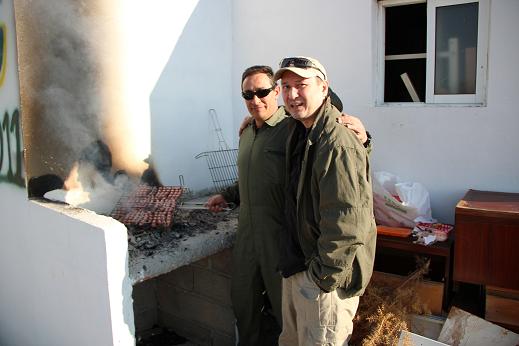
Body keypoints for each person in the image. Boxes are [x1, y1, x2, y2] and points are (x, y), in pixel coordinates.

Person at [206, 65, 370, 345]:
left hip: (281, 239)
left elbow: (336, 155)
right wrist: (229, 194)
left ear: (275, 92)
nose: (255, 99)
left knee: (289, 315)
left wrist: (364, 139)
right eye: (248, 94)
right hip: (247, 236)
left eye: (262, 92)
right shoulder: (246, 133)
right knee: (244, 304)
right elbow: (256, 175)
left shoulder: (292, 128)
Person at [274, 56, 376, 346]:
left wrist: (321, 278)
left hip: (322, 282)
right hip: (299, 267)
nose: (292, 94)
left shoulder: (337, 142)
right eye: (286, 86)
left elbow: (347, 220)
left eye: (301, 85)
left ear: (323, 88)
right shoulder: (300, 130)